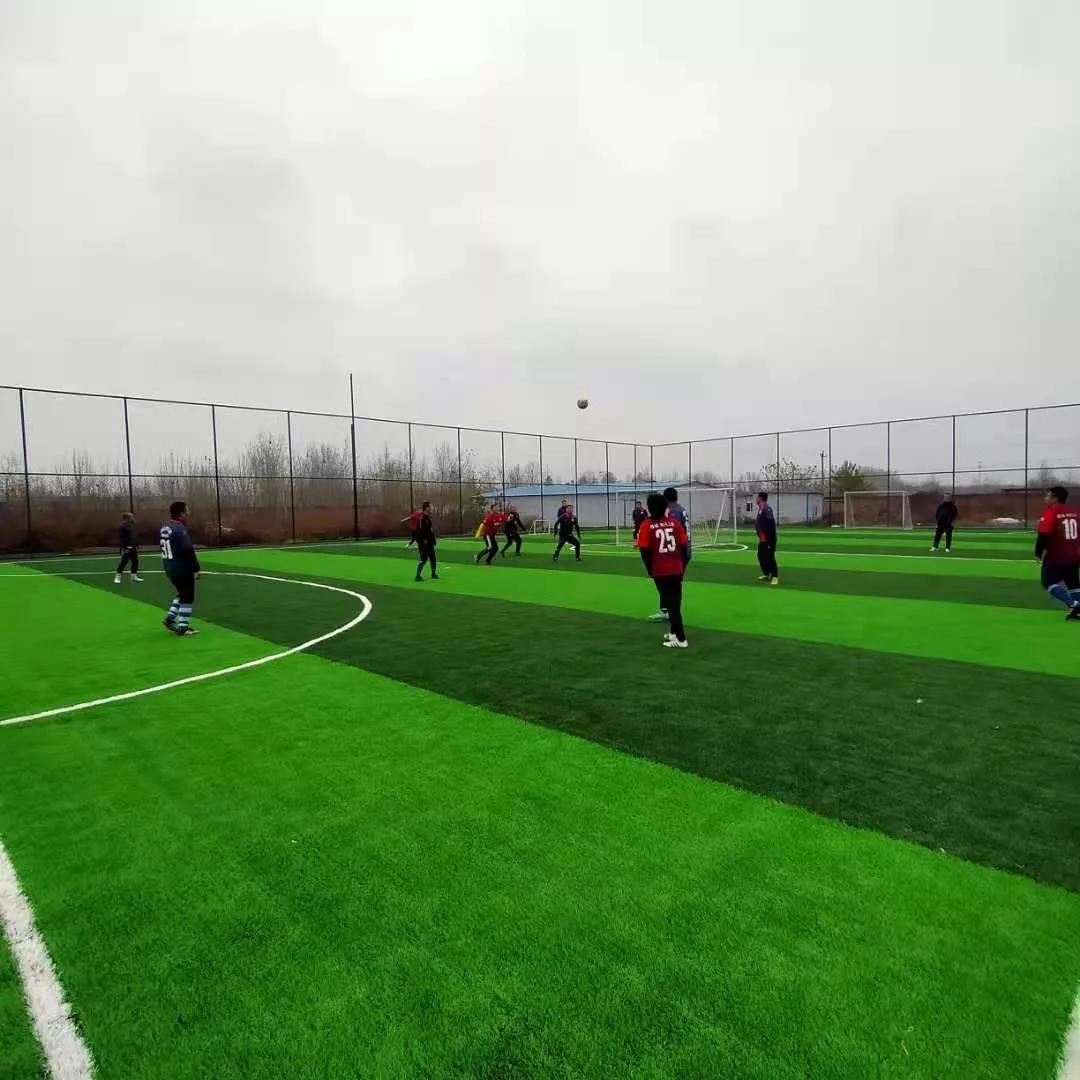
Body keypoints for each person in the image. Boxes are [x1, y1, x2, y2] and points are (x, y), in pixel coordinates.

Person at [637, 491, 690, 648]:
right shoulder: (675, 523)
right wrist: (680, 565)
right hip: (676, 569)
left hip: (660, 570)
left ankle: (681, 639)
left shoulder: (647, 525)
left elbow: (644, 551)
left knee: (671, 604)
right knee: (675, 602)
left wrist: (651, 571)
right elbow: (684, 546)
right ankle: (674, 632)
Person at [1035, 486, 1080, 620]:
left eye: (1047, 496)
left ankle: (1073, 605)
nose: (1045, 499)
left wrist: (1038, 553)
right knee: (1073, 583)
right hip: (1074, 554)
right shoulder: (1075, 511)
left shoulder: (1051, 511)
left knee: (1047, 582)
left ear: (1055, 498)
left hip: (1057, 555)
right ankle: (1078, 611)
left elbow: (1044, 534)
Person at [160, 501, 200, 636]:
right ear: (181, 513)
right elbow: (188, 549)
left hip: (169, 566)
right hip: (181, 568)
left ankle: (169, 619)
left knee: (182, 593)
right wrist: (196, 568)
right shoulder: (179, 528)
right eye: (187, 511)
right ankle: (183, 627)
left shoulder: (165, 527)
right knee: (188, 596)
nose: (188, 513)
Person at [755, 491, 779, 585]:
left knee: (770, 557)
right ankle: (767, 573)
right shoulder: (761, 509)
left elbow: (771, 524)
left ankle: (775, 576)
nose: (756, 499)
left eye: (757, 497)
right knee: (761, 556)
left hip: (769, 539)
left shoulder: (767, 509)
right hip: (763, 539)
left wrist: (769, 540)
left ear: (760, 498)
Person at [114, 511, 144, 584]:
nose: (133, 518)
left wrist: (137, 545)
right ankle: (117, 577)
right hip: (126, 548)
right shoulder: (122, 526)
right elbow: (121, 538)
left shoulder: (133, 525)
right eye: (131, 517)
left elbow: (134, 536)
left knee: (135, 562)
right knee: (124, 562)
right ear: (127, 518)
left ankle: (134, 577)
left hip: (133, 547)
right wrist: (125, 546)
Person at [414, 501, 438, 581]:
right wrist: (423, 540)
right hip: (424, 543)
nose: (431, 508)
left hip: (430, 542)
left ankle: (433, 574)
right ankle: (418, 576)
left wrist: (433, 540)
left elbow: (431, 531)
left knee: (433, 558)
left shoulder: (428, 518)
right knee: (423, 559)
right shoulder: (422, 518)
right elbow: (420, 531)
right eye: (430, 506)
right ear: (426, 507)